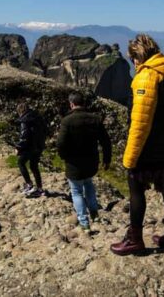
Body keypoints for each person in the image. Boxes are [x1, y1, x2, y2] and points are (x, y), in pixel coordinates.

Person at [110, 34, 164, 255]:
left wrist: (130, 158)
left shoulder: (147, 77)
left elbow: (140, 123)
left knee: (136, 190)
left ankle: (135, 239)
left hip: (149, 148)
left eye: (134, 59)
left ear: (139, 56)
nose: (134, 65)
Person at [56, 92, 113, 232]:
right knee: (88, 184)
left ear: (71, 104)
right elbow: (106, 141)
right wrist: (107, 159)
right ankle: (94, 213)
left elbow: (61, 143)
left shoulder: (67, 121)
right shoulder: (95, 119)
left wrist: (64, 156)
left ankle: (84, 222)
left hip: (74, 163)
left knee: (76, 192)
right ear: (84, 103)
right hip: (91, 161)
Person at [15, 102, 46, 197]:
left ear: (20, 111)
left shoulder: (25, 120)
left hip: (29, 147)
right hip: (39, 146)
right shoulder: (38, 118)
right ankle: (40, 189)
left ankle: (29, 185)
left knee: (21, 163)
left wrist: (18, 147)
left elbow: (24, 137)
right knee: (34, 166)